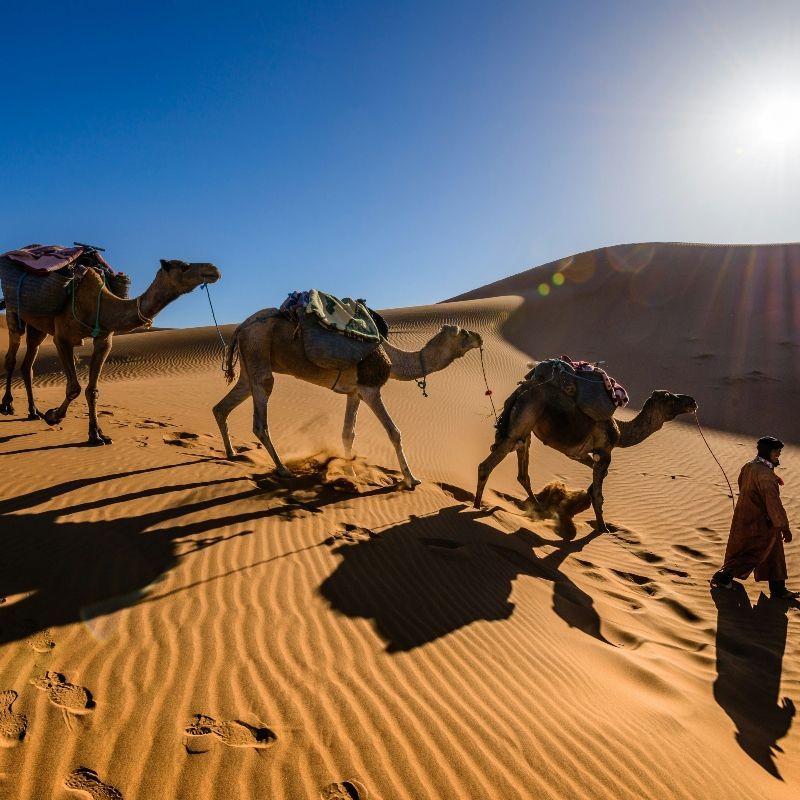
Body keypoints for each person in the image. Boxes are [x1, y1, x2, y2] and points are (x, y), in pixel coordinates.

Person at [711, 436, 797, 600]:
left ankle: (778, 590)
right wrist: (784, 526)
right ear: (767, 453)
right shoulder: (765, 475)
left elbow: (742, 485)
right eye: (776, 452)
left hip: (746, 518)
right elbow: (773, 504)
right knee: (753, 553)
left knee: (772, 553)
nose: (779, 454)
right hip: (761, 523)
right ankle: (723, 577)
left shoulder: (749, 467)